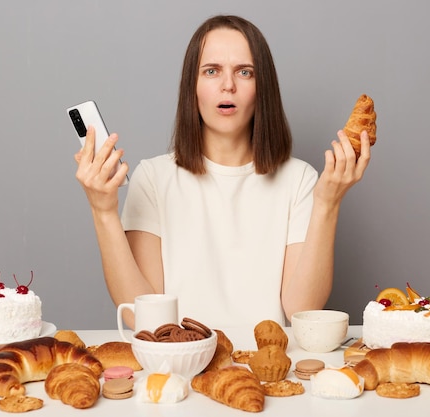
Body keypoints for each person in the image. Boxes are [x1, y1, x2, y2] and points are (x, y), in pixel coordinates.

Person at [75, 15, 371, 329]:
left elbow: (302, 308)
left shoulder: (300, 180)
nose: (227, 85)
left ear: (262, 89)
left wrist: (328, 204)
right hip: (180, 365)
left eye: (245, 72)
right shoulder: (153, 178)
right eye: (211, 71)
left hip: (264, 369)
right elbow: (141, 316)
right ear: (193, 87)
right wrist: (103, 211)